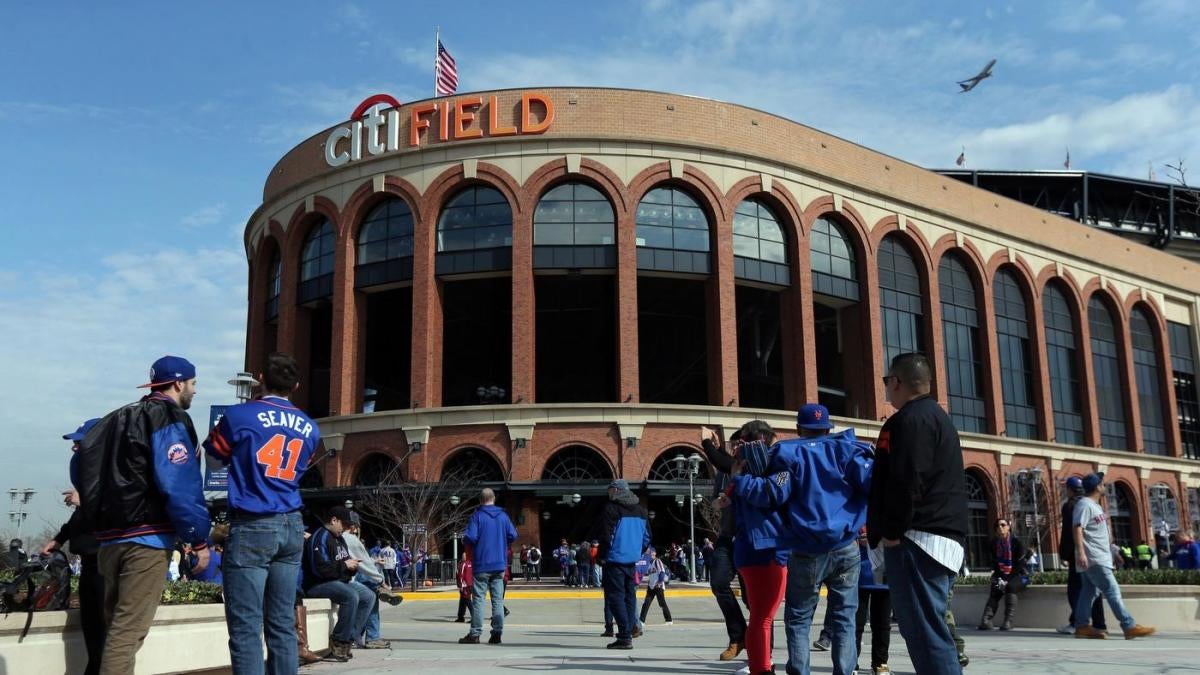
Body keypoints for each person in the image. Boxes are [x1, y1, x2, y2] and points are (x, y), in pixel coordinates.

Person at [77, 355, 212, 675]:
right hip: (147, 539)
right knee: (127, 634)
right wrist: (198, 537)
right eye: (193, 384)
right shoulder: (166, 416)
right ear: (179, 383)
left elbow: (83, 469)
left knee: (116, 631)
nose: (194, 391)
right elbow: (179, 481)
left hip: (110, 540)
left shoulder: (117, 417)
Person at [201, 351, 324, 673]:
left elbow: (213, 455)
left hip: (253, 520)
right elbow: (302, 466)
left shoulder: (240, 416)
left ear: (260, 378)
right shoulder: (310, 428)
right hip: (292, 522)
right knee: (283, 623)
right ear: (296, 385)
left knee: (245, 627)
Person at [741, 405, 874, 675]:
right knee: (845, 618)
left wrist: (740, 480)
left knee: (799, 620)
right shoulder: (849, 451)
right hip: (846, 547)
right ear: (828, 427)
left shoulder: (789, 454)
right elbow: (873, 485)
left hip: (806, 549)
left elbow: (772, 494)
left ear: (799, 428)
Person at [867, 353, 968, 675]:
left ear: (896, 382)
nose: (886, 387)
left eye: (887, 380)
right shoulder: (935, 418)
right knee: (927, 630)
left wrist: (893, 532)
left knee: (925, 632)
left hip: (917, 540)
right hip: (933, 537)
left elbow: (906, 480)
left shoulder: (909, 421)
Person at [720, 420, 794, 675]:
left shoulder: (741, 471)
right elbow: (775, 494)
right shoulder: (769, 466)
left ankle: (759, 666)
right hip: (767, 549)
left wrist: (737, 478)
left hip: (749, 550)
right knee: (763, 618)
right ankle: (761, 669)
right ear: (764, 438)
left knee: (759, 618)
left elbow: (727, 501)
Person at [42, 418, 105, 675]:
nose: (74, 449)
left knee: (103, 630)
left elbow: (118, 515)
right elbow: (78, 519)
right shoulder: (90, 477)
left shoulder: (113, 476)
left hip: (106, 562)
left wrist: (87, 500)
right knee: (91, 629)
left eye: (80, 443)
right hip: (90, 562)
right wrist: (59, 539)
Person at [1072, 472, 1155, 640]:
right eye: (1102, 483)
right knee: (1112, 590)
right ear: (1097, 487)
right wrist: (1081, 552)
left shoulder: (1095, 506)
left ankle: (1081, 626)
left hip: (1099, 556)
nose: (1105, 486)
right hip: (1094, 558)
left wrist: (1114, 551)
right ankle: (1128, 625)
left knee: (1089, 591)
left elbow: (1099, 534)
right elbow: (1077, 527)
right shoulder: (1084, 505)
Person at [699, 429, 750, 661]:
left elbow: (722, 461)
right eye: (735, 443)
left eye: (741, 442)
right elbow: (725, 464)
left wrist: (707, 443)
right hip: (728, 537)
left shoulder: (756, 465)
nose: (736, 447)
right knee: (718, 582)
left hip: (751, 540)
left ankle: (761, 651)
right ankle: (738, 636)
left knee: (752, 599)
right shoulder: (730, 469)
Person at [302, 506, 376, 661]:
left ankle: (349, 638)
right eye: (345, 525)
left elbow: (344, 564)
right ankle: (339, 641)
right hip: (318, 584)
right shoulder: (320, 536)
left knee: (368, 596)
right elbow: (320, 569)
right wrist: (345, 566)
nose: (348, 529)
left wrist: (352, 567)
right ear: (334, 520)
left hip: (339, 581)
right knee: (351, 596)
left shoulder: (339, 539)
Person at [594, 478, 650, 650]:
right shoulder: (641, 510)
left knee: (615, 597)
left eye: (610, 490)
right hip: (631, 561)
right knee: (629, 596)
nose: (609, 494)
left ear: (617, 491)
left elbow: (607, 536)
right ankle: (631, 629)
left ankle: (624, 636)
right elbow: (647, 538)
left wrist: (602, 556)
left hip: (614, 560)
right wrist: (635, 552)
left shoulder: (612, 509)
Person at [459, 488, 517, 645]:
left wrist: (467, 543)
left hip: (481, 564)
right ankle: (497, 633)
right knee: (498, 599)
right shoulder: (503, 516)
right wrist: (502, 542)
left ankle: (475, 634)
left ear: (480, 500)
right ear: (494, 499)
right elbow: (513, 534)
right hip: (499, 564)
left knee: (478, 599)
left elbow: (470, 537)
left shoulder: (477, 516)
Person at [1056, 476, 1106, 635]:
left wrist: (1066, 553)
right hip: (1094, 554)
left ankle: (1076, 623)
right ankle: (1099, 624)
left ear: (1070, 490)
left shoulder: (1070, 505)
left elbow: (1070, 532)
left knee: (1076, 590)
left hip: (1078, 555)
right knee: (1094, 590)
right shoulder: (1092, 504)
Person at [977, 519, 1025, 631]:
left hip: (1020, 576)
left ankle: (1008, 621)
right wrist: (999, 578)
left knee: (1010, 586)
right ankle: (986, 620)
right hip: (1002, 574)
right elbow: (995, 565)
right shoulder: (993, 544)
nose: (1000, 527)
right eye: (997, 526)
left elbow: (1019, 566)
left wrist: (1006, 579)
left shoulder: (1016, 543)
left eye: (1003, 525)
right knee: (996, 587)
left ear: (1009, 527)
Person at [855, 528, 891, 675]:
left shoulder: (888, 508)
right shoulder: (855, 506)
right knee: (856, 623)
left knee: (882, 624)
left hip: (882, 570)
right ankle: (851, 663)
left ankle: (880, 664)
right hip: (858, 570)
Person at [638, 547, 673, 626]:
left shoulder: (657, 561)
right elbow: (650, 575)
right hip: (651, 586)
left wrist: (660, 582)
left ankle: (669, 620)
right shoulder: (649, 564)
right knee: (646, 603)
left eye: (652, 553)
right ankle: (641, 620)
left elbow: (662, 572)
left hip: (658, 586)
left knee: (662, 603)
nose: (650, 555)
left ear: (655, 554)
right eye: (649, 553)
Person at [456, 552, 474, 622]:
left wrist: (460, 585)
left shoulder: (462, 564)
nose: (463, 557)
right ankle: (460, 617)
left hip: (465, 585)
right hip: (470, 584)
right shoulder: (471, 563)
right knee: (462, 601)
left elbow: (460, 575)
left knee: (467, 601)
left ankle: (474, 616)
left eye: (464, 556)